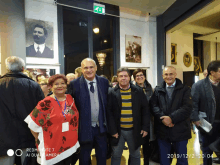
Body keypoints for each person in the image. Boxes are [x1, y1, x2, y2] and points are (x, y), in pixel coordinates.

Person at [25, 74, 80, 165]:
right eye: (56, 84)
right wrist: (42, 139)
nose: (60, 86)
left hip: (70, 146)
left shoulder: (70, 99)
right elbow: (32, 125)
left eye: (63, 83)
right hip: (52, 149)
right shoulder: (45, 103)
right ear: (50, 86)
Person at [0, 56, 44, 165]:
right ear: (23, 68)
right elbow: (42, 111)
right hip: (28, 135)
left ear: (7, 69)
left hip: (3, 136)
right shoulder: (33, 85)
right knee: (27, 162)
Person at [69, 58, 109, 165]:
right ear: (81, 70)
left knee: (102, 159)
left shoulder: (104, 82)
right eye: (85, 68)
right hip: (84, 129)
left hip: (101, 128)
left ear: (96, 68)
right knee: (84, 160)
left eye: (91, 67)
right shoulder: (74, 84)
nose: (89, 70)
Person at [107, 67, 150, 165]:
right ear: (117, 78)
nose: (123, 78)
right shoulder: (112, 92)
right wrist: (113, 130)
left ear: (130, 77)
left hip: (134, 130)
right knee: (116, 155)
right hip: (118, 131)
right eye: (121, 76)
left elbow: (145, 110)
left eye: (125, 76)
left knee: (135, 155)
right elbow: (109, 113)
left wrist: (145, 127)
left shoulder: (138, 91)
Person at [150, 66, 192, 165]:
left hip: (180, 131)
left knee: (182, 160)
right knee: (164, 161)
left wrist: (171, 118)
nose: (169, 76)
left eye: (171, 74)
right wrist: (163, 118)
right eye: (166, 74)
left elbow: (187, 107)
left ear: (175, 75)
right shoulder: (158, 90)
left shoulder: (185, 89)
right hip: (163, 132)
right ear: (162, 76)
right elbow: (153, 106)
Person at [191, 60, 220, 165]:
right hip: (206, 124)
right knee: (207, 152)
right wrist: (196, 120)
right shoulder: (199, 86)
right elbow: (193, 105)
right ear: (212, 72)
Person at [133, 69, 154, 165]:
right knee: (135, 148)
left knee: (147, 147)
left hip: (148, 122)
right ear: (134, 78)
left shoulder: (150, 88)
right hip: (136, 123)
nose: (139, 77)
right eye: (137, 76)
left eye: (141, 75)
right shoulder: (132, 89)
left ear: (144, 76)